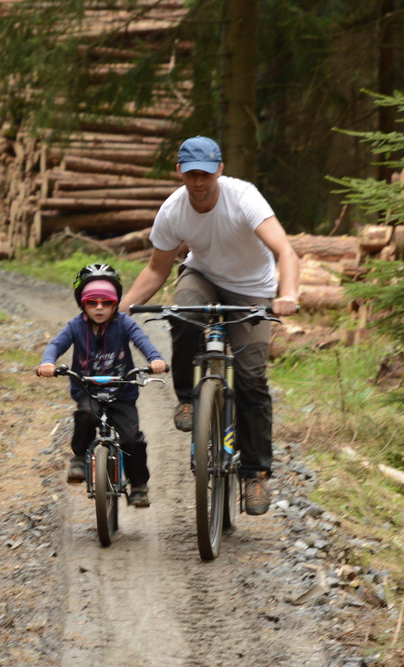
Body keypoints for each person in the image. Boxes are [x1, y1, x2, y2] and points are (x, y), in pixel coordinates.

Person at [119, 136, 299, 516]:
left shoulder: (243, 198)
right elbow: (156, 270)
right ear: (180, 172)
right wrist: (123, 309)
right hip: (202, 276)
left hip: (252, 290)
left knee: (251, 378)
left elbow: (285, 250)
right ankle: (188, 399)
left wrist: (288, 293)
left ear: (219, 170)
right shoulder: (174, 210)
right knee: (183, 314)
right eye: (191, 174)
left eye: (205, 173)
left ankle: (255, 475)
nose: (198, 182)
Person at [38, 264, 168, 508]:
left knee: (132, 440)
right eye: (92, 302)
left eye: (106, 302)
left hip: (122, 394)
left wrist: (155, 359)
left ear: (115, 303)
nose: (99, 308)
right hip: (88, 391)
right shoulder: (76, 326)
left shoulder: (124, 323)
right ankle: (79, 458)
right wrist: (48, 362)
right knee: (85, 415)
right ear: (82, 304)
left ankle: (139, 485)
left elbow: (142, 341)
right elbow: (56, 345)